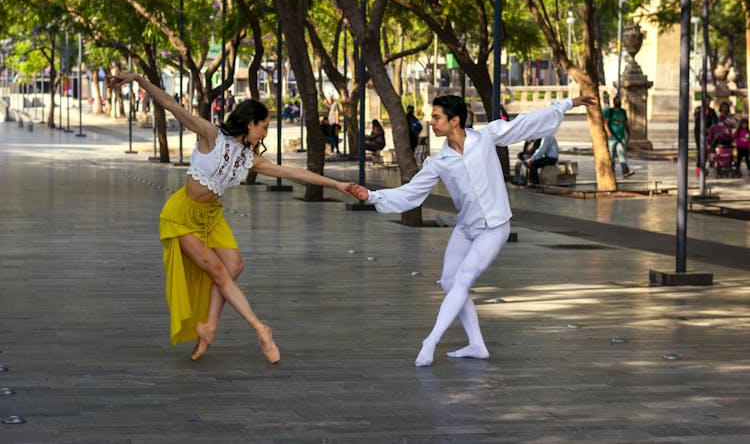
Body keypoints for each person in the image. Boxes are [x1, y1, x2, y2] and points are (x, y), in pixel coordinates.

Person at [106, 73, 361, 364]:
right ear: (250, 123)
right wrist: (139, 79)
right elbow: (171, 105)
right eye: (264, 126)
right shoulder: (211, 135)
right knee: (219, 271)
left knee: (234, 266)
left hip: (211, 217)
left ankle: (209, 326)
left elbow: (295, 173)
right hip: (181, 217)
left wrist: (337, 184)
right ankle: (260, 328)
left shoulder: (250, 159)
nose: (265, 133)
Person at [350, 93, 597, 367]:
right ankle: (477, 344)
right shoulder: (439, 161)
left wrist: (566, 104)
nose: (431, 122)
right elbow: (411, 193)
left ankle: (430, 341)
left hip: (494, 227)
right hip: (466, 227)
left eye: (436, 117)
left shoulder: (486, 138)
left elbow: (525, 123)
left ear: (454, 121)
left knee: (464, 278)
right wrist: (371, 197)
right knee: (448, 282)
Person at [603, 96, 634, 178]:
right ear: (614, 102)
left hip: (621, 137)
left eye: (619, 101)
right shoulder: (610, 112)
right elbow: (605, 123)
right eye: (617, 101)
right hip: (612, 138)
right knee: (611, 156)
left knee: (622, 155)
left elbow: (626, 123)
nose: (618, 102)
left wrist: (628, 133)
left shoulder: (623, 112)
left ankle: (625, 171)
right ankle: (611, 172)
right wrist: (608, 132)